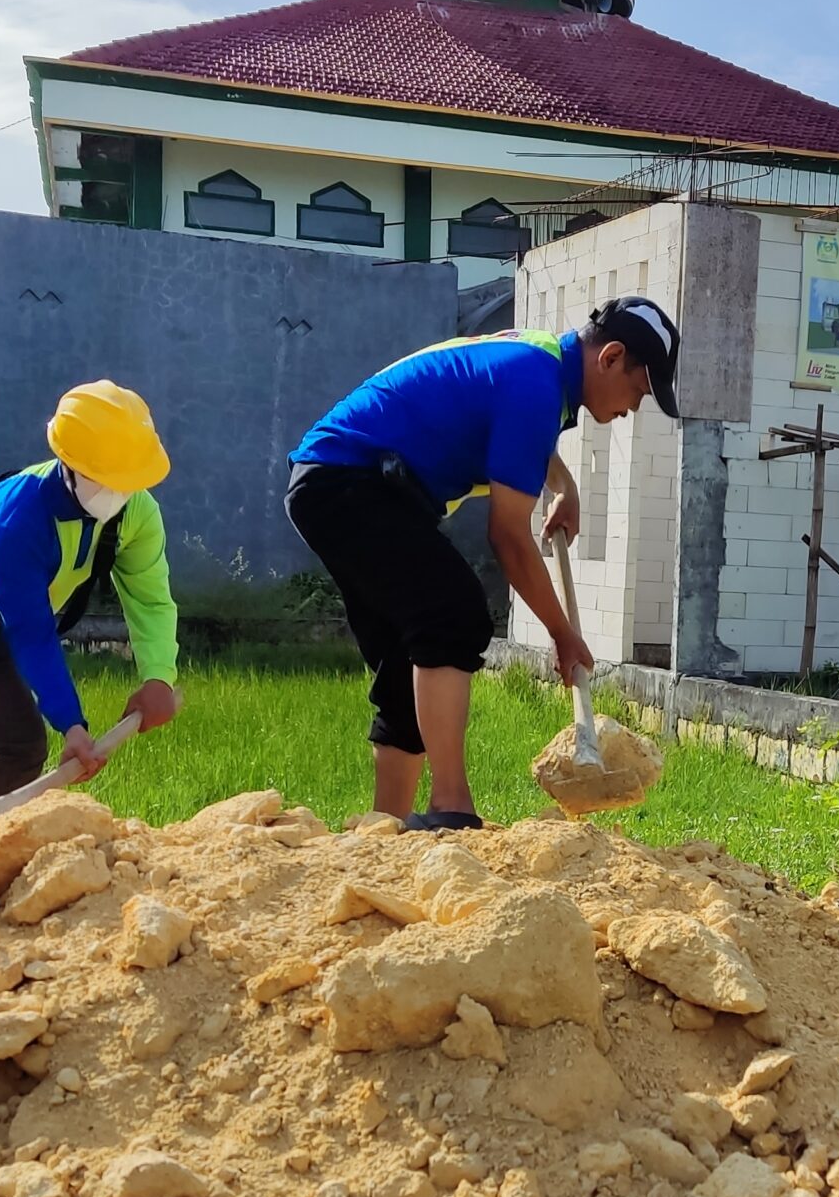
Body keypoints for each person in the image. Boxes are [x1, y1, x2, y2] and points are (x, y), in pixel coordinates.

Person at [285, 297, 682, 829]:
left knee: (412, 654)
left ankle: (386, 830)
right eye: (640, 390)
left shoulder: (540, 367)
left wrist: (561, 485)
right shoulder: (535, 383)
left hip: (338, 482)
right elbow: (510, 537)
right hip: (350, 481)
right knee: (453, 616)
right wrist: (564, 635)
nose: (633, 407)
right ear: (610, 358)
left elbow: (514, 428)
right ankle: (452, 807)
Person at [0, 380, 182, 814]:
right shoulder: (15, 521)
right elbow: (31, 633)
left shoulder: (136, 513)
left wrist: (158, 676)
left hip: (10, 613)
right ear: (67, 463)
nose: (117, 493)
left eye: (127, 482)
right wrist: (72, 725)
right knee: (19, 740)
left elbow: (151, 599)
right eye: (103, 479)